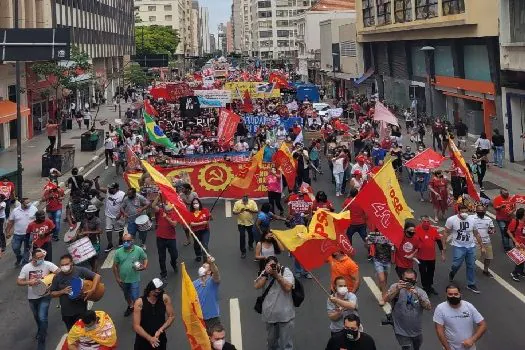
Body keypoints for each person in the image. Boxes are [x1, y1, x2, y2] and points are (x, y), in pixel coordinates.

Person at [17, 248, 59, 350]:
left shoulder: (48, 264)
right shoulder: (26, 268)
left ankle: (41, 342)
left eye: (42, 257)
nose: (41, 259)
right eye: (39, 257)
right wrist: (28, 282)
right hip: (32, 297)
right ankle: (41, 330)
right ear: (33, 258)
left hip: (45, 296)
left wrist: (52, 283)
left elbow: (59, 272)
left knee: (42, 317)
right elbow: (19, 281)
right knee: (37, 317)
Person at [50, 253, 101, 331]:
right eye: (62, 265)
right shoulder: (57, 277)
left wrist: (93, 289)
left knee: (84, 333)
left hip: (81, 311)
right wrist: (62, 291)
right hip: (67, 313)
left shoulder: (80, 270)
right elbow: (52, 293)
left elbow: (97, 276)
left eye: (66, 264)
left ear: (72, 263)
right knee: (72, 333)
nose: (64, 266)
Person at [254, 256, 295, 350]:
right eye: (270, 265)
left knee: (287, 345)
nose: (272, 267)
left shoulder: (286, 272)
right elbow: (256, 286)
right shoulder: (264, 273)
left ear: (278, 264)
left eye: (274, 265)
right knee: (271, 343)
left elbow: (288, 288)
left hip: (286, 316)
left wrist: (277, 275)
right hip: (270, 316)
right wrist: (265, 275)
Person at [384, 269, 431, 350]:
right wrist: (396, 289)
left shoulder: (420, 292)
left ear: (416, 280)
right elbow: (386, 299)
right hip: (401, 329)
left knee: (416, 347)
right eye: (406, 279)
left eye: (411, 280)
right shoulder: (395, 287)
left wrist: (418, 295)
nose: (408, 282)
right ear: (402, 278)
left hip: (416, 330)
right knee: (407, 348)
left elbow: (428, 307)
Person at [443, 204, 485, 294]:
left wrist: (482, 246)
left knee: (471, 265)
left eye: (466, 211)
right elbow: (446, 232)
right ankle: (452, 272)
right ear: (458, 211)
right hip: (458, 246)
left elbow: (476, 233)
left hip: (471, 246)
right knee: (456, 264)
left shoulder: (472, 220)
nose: (464, 213)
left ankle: (471, 284)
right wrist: (444, 245)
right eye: (462, 211)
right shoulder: (451, 220)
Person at [433, 283, 487, 350]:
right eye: (450, 294)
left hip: (469, 348)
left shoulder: (468, 306)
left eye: (456, 294)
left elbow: (483, 325)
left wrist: (472, 340)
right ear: (446, 295)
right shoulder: (440, 308)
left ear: (460, 294)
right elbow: (439, 331)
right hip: (451, 347)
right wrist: (448, 348)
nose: (453, 296)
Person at [133, 278, 175, 350]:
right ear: (151, 290)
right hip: (143, 340)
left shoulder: (165, 298)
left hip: (160, 338)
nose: (161, 291)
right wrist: (150, 338)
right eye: (159, 289)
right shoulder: (140, 303)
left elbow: (171, 316)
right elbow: (136, 326)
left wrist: (160, 330)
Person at [112, 233, 148, 317]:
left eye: (128, 241)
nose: (125, 242)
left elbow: (145, 258)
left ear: (132, 241)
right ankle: (130, 306)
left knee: (135, 296)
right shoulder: (118, 252)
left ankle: (137, 312)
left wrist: (144, 266)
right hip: (123, 279)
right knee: (126, 295)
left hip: (134, 278)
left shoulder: (138, 250)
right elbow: (115, 267)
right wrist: (117, 278)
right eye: (124, 241)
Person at [415, 215, 444, 295]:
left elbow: (438, 241)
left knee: (431, 272)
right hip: (421, 257)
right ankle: (425, 287)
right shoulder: (416, 230)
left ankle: (429, 286)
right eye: (424, 221)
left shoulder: (433, 230)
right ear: (421, 222)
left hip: (431, 256)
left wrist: (442, 253)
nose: (426, 223)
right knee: (423, 272)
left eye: (428, 221)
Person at [94, 180, 126, 252]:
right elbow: (98, 188)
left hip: (118, 215)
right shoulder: (108, 191)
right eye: (110, 188)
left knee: (120, 229)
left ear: (117, 189)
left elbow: (124, 206)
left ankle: (120, 240)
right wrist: (96, 182)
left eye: (112, 188)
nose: (110, 189)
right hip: (108, 215)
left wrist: (120, 214)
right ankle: (110, 244)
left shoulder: (122, 194)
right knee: (108, 229)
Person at [6, 198, 38, 266]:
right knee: (15, 248)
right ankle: (19, 256)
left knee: (27, 249)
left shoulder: (34, 209)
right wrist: (8, 232)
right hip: (17, 234)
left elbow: (38, 220)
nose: (29, 204)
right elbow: (10, 222)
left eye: (29, 202)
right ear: (21, 203)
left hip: (29, 234)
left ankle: (25, 263)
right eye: (26, 203)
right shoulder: (15, 211)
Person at [152, 198, 178, 279]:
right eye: (166, 204)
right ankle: (163, 273)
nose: (167, 206)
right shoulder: (160, 211)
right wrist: (157, 197)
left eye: (168, 204)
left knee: (174, 255)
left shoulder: (175, 214)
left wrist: (166, 217)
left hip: (171, 238)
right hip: (160, 238)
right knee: (161, 257)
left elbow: (174, 224)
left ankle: (173, 263)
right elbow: (153, 205)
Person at [194, 256, 221, 330]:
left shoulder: (213, 281)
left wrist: (212, 263)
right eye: (202, 266)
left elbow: (216, 272)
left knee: (216, 339)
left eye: (205, 267)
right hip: (199, 319)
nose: (202, 268)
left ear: (209, 271)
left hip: (212, 318)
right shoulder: (193, 284)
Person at [367, 229, 393, 305]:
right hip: (378, 260)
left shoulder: (391, 235)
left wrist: (392, 244)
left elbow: (396, 245)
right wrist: (368, 242)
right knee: (382, 279)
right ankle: (384, 297)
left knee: (385, 279)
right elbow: (367, 245)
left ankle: (383, 288)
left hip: (388, 261)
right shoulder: (374, 235)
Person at [470, 204, 495, 278]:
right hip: (475, 241)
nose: (481, 212)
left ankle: (486, 270)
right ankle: (471, 270)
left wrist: (492, 230)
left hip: (486, 241)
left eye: (482, 210)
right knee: (474, 257)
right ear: (476, 211)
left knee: (488, 257)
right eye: (479, 210)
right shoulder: (471, 218)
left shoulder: (489, 219)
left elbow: (492, 228)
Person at [232, 195, 258, 259]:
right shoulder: (237, 203)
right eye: (243, 199)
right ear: (242, 198)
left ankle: (250, 244)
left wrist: (250, 210)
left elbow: (256, 211)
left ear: (247, 198)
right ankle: (243, 252)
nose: (244, 200)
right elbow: (234, 212)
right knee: (242, 236)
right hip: (241, 223)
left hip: (250, 223)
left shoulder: (252, 202)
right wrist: (240, 211)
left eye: (246, 199)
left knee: (251, 235)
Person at [78, 205, 103, 272]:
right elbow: (79, 228)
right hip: (86, 241)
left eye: (90, 213)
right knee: (89, 257)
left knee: (94, 256)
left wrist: (87, 231)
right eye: (88, 213)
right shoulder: (84, 220)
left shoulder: (97, 220)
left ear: (93, 213)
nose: (89, 214)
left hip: (95, 240)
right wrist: (78, 234)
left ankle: (94, 272)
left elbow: (100, 231)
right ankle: (94, 270)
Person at [190, 198, 212, 262]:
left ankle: (205, 261)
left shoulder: (205, 210)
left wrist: (211, 216)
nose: (195, 204)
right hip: (195, 232)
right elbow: (191, 224)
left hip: (205, 230)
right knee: (197, 244)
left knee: (204, 245)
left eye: (197, 203)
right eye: (194, 203)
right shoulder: (190, 213)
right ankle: (198, 255)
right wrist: (202, 223)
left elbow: (210, 219)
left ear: (199, 203)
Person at [508, 208, 525, 281]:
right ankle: (514, 273)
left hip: (524, 243)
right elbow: (509, 231)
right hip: (518, 243)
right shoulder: (515, 221)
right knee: (520, 259)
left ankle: (520, 272)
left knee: (523, 259)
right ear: (522, 215)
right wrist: (515, 242)